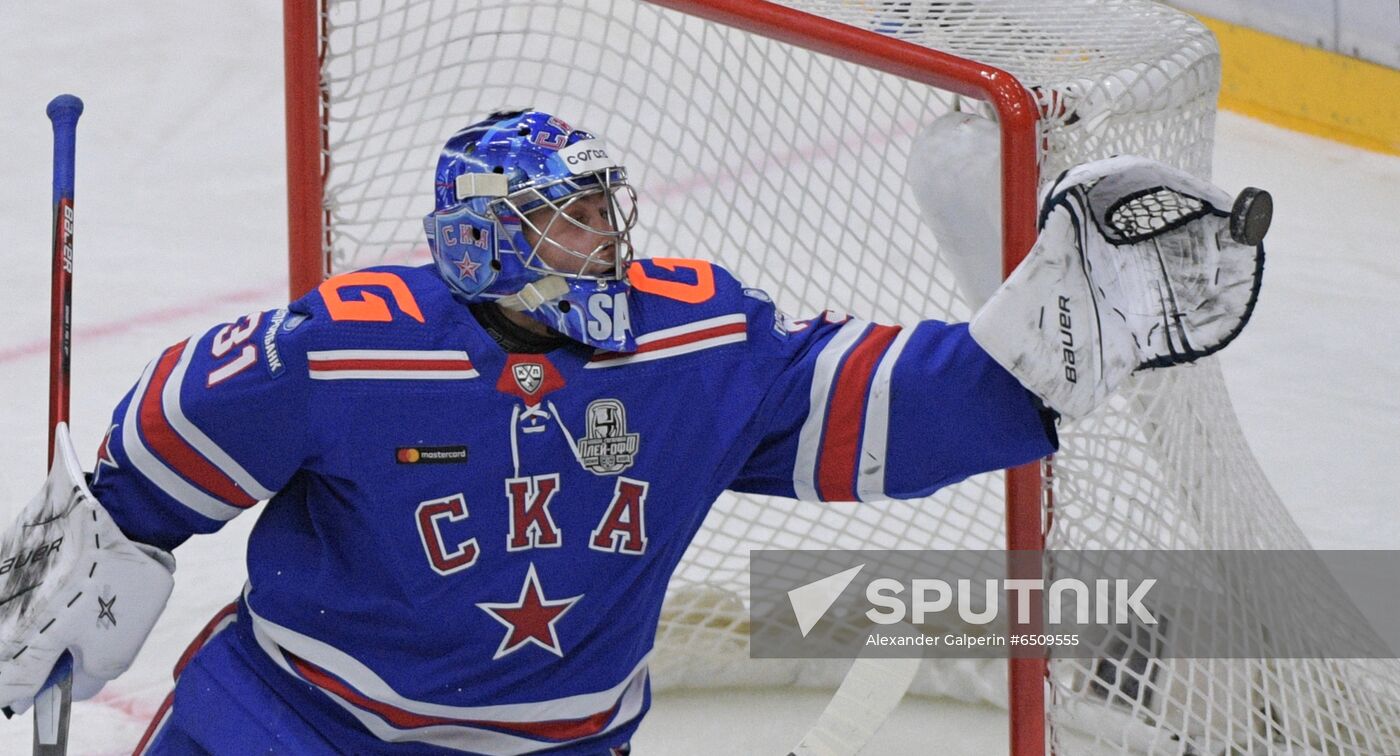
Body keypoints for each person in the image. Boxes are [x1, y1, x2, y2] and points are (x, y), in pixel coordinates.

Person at [0, 109, 1266, 754]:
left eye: (608, 213)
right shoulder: (346, 347)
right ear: (482, 240)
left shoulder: (693, 342)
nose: (608, 242)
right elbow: (156, 456)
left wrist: (1044, 358)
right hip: (299, 727)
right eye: (570, 221)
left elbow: (876, 412)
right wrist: (76, 561)